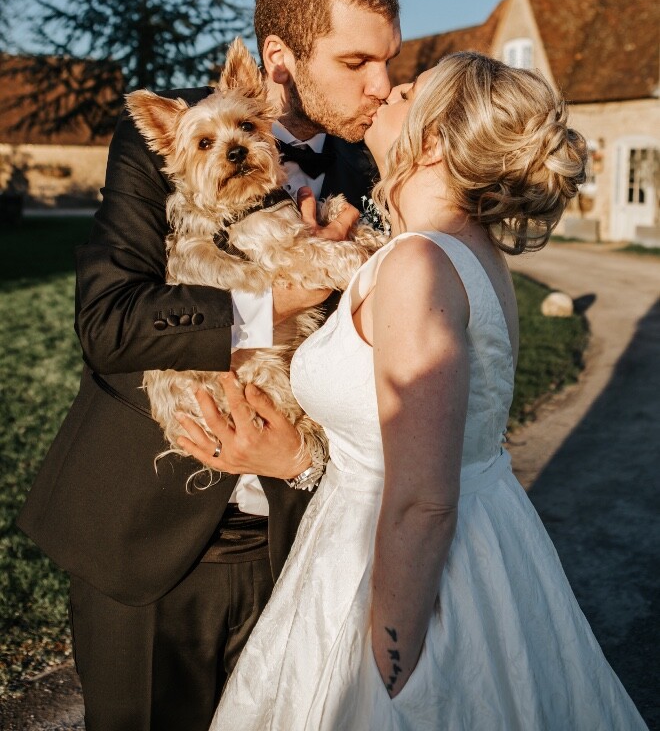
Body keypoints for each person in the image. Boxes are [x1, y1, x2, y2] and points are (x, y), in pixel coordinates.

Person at [183, 52, 649, 730]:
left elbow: (425, 503)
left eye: (403, 93)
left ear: (430, 139)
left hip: (407, 587)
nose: (382, 93)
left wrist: (388, 670)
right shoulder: (461, 249)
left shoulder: (420, 265)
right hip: (467, 546)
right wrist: (299, 463)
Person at [17, 0, 401, 731]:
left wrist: (303, 460)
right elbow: (110, 324)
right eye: (356, 60)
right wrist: (276, 300)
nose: (381, 86)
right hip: (146, 548)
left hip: (302, 549)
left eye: (388, 61)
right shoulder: (172, 140)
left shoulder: (377, 172)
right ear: (279, 62)